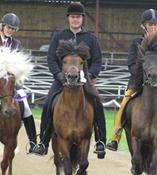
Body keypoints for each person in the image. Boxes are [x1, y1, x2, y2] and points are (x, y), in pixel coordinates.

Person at [32, 2, 106, 157]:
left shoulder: (91, 38)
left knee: (97, 103)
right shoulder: (59, 37)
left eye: (78, 17)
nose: (75, 20)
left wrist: (90, 75)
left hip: (83, 82)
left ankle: (101, 141)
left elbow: (98, 61)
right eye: (73, 17)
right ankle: (43, 142)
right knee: (48, 103)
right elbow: (51, 59)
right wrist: (58, 75)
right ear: (68, 18)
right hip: (62, 81)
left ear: (82, 19)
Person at [106, 9, 157, 151]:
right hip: (139, 82)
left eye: (155, 24)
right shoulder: (137, 42)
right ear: (144, 25)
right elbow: (131, 64)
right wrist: (141, 78)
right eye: (150, 24)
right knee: (124, 104)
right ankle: (115, 138)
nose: (153, 26)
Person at [0, 13, 37, 153]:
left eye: (13, 29)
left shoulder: (16, 44)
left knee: (26, 107)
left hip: (11, 85)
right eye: (9, 27)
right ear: (3, 26)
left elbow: (19, 66)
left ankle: (33, 142)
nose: (10, 30)